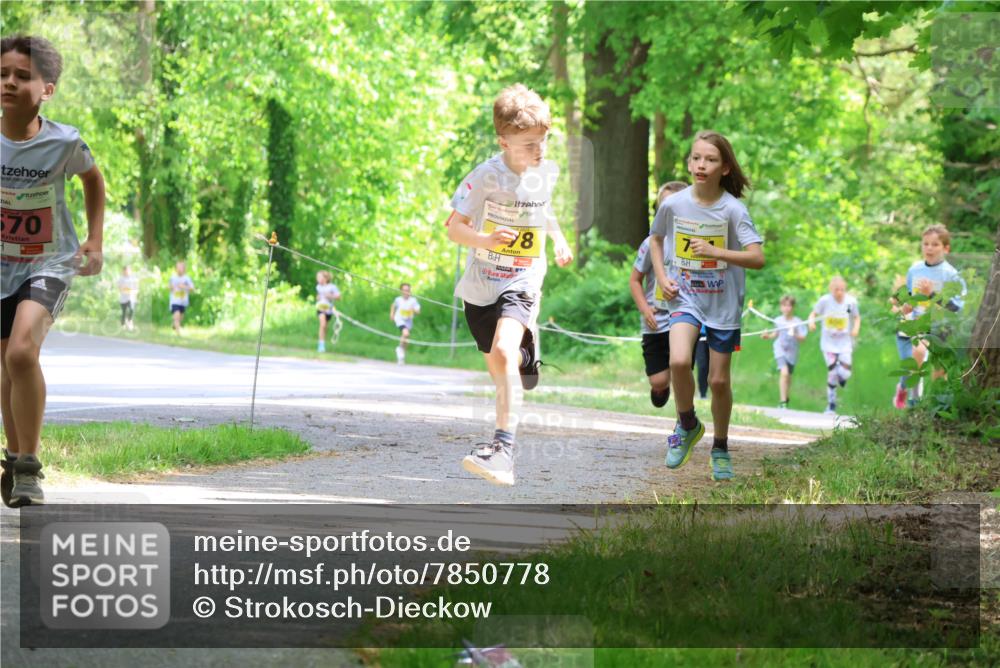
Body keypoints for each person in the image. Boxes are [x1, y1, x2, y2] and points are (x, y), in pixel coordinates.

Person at [445, 84, 573, 486]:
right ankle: (525, 356)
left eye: (543, 143)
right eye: (529, 145)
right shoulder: (486, 176)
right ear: (503, 140)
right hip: (482, 283)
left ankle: (502, 451)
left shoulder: (544, 172)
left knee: (501, 350)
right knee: (500, 365)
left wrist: (559, 238)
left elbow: (542, 209)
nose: (539, 153)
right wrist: (484, 240)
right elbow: (454, 229)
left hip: (523, 276)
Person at [1, 35, 105, 507]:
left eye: (22, 76)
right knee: (5, 366)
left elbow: (93, 178)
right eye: (3, 74)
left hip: (49, 260)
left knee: (21, 353)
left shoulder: (63, 140)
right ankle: (16, 462)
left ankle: (30, 464)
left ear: (48, 89)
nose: (9, 82)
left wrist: (95, 239)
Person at [649, 130, 764, 482]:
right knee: (679, 361)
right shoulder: (673, 203)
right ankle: (686, 425)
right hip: (685, 297)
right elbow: (655, 239)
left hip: (723, 304)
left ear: (725, 168)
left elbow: (757, 258)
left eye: (711, 159)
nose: (702, 165)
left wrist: (717, 252)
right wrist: (662, 276)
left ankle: (721, 446)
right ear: (689, 163)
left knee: (717, 380)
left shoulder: (733, 209)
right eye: (696, 158)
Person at [890, 224, 966, 408]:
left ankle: (934, 407)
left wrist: (932, 294)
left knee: (939, 373)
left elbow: (956, 307)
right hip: (919, 324)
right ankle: (913, 401)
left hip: (943, 327)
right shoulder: (915, 270)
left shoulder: (951, 275)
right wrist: (905, 306)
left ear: (946, 248)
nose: (929, 248)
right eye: (926, 244)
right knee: (918, 353)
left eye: (935, 244)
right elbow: (909, 297)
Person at [629, 181, 688, 408]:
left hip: (683, 316)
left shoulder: (693, 242)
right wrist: (645, 309)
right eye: (663, 206)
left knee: (680, 364)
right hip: (655, 319)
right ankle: (662, 383)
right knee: (659, 379)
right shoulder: (651, 242)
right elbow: (635, 280)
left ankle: (685, 414)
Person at [808, 276, 860, 415]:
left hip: (845, 344)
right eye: (836, 290)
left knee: (845, 373)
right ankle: (831, 405)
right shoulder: (825, 301)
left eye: (842, 290)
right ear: (831, 290)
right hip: (828, 344)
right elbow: (813, 313)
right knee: (832, 372)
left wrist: (855, 329)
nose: (839, 292)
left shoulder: (851, 302)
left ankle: (842, 378)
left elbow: (856, 317)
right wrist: (811, 322)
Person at [761, 295, 808, 409]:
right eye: (784, 305)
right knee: (784, 373)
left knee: (788, 376)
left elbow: (803, 338)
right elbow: (775, 334)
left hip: (792, 351)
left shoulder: (798, 322)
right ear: (781, 307)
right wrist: (767, 336)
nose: (787, 308)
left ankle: (786, 398)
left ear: (793, 307)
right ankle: (782, 402)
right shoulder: (778, 320)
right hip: (780, 349)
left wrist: (795, 334)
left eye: (789, 306)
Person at [390, 282, 420, 364]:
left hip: (408, 321)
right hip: (399, 319)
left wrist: (413, 309)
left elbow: (418, 311)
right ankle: (400, 349)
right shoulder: (398, 299)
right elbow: (393, 305)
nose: (406, 292)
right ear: (401, 291)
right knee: (406, 334)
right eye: (404, 290)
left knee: (406, 339)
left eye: (408, 290)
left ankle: (401, 356)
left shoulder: (413, 300)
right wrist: (392, 314)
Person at [315, 270, 341, 353]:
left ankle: (322, 344)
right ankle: (321, 345)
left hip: (329, 310)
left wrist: (330, 296)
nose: (318, 279)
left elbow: (338, 297)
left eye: (319, 277)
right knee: (322, 324)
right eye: (317, 277)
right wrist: (318, 297)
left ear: (325, 278)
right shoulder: (318, 287)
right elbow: (318, 297)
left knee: (325, 327)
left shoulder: (332, 287)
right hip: (320, 309)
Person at [169, 260, 194, 334]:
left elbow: (192, 288)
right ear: (176, 268)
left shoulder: (187, 278)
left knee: (180, 317)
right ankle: (178, 333)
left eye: (181, 268)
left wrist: (184, 286)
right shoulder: (173, 278)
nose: (179, 269)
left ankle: (174, 324)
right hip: (174, 301)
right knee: (176, 315)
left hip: (183, 302)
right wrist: (172, 287)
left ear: (184, 269)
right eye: (178, 267)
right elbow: (169, 286)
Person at [118, 265, 138, 331]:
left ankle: (130, 321)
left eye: (128, 270)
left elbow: (136, 288)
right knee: (124, 312)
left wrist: (132, 291)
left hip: (131, 297)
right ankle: (123, 324)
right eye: (125, 270)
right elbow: (120, 288)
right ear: (123, 271)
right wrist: (125, 290)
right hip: (123, 298)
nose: (126, 272)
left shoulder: (133, 278)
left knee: (131, 309)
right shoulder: (121, 279)